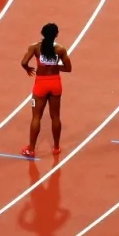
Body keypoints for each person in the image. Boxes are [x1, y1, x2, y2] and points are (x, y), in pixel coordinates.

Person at [20, 23, 72, 157]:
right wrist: (55, 66)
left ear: (42, 33)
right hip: (55, 83)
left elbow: (24, 62)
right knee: (55, 116)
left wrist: (28, 69)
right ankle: (56, 147)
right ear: (56, 34)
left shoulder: (35, 47)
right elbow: (68, 68)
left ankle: (31, 149)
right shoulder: (60, 49)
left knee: (36, 117)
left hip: (40, 84)